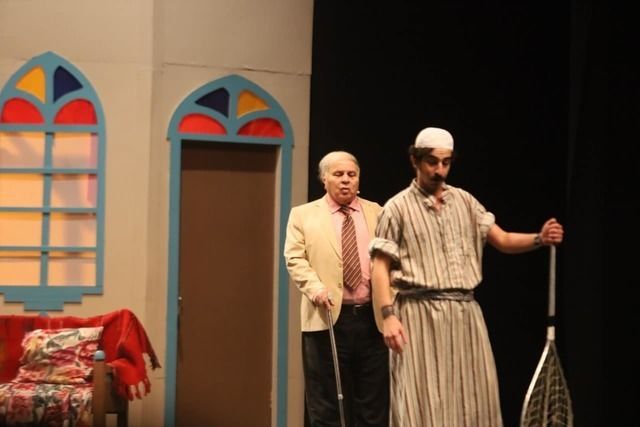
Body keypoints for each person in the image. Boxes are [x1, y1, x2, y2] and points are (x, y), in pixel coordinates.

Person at [369, 127, 564, 427]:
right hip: (419, 315)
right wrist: (388, 316)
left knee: (472, 398)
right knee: (422, 399)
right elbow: (379, 268)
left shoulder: (465, 202)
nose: (439, 170)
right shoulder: (397, 208)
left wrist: (540, 238)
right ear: (415, 160)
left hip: (464, 315)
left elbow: (502, 239)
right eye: (432, 162)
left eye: (446, 163)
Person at [284, 151, 389, 427]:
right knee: (326, 403)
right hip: (326, 319)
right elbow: (294, 258)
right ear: (324, 179)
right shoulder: (303, 215)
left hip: (371, 320)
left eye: (351, 175)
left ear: (359, 179)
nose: (345, 180)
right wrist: (315, 288)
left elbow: (393, 259)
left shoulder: (378, 213)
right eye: (338, 174)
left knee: (373, 404)